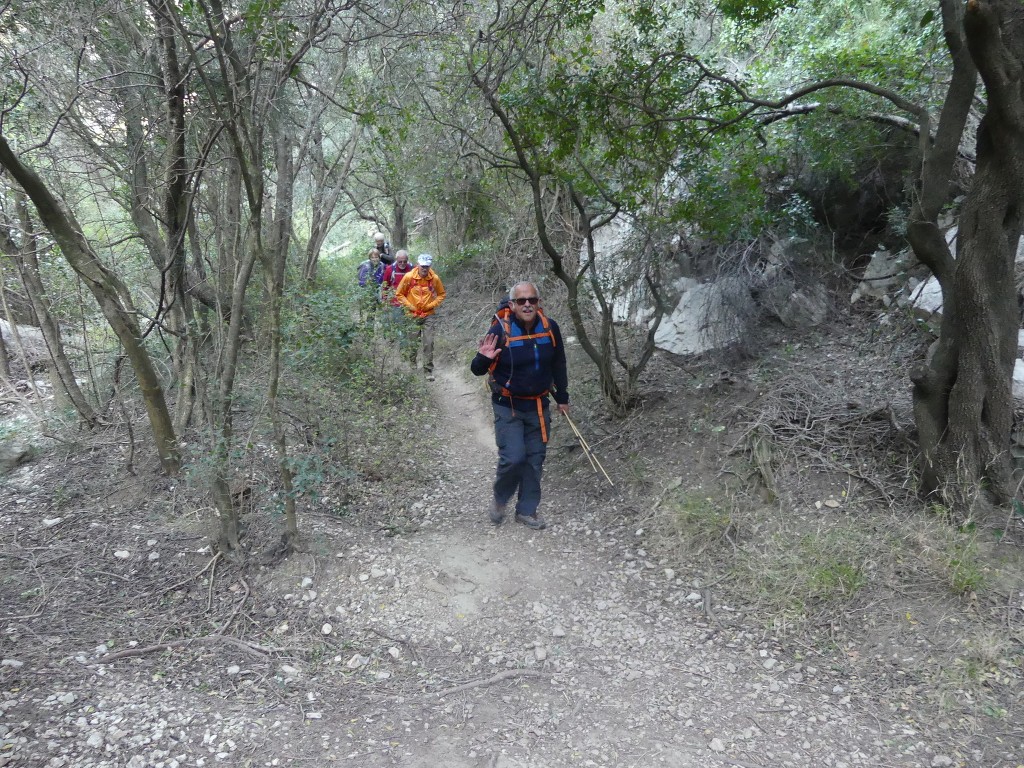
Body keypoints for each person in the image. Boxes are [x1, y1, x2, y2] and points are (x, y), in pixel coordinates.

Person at [470, 281, 569, 530]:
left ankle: (526, 510)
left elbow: (558, 363)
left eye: (532, 300)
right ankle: (500, 499)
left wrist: (563, 397)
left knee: (535, 459)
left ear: (539, 303)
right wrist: (483, 358)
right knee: (514, 458)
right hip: (508, 405)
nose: (527, 305)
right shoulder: (500, 329)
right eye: (522, 301)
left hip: (538, 405)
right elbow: (477, 369)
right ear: (512, 305)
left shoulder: (550, 328)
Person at [395, 253, 446, 381]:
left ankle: (428, 371)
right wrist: (410, 307)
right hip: (412, 315)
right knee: (412, 342)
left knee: (429, 342)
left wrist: (431, 305)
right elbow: (399, 294)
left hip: (428, 315)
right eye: (422, 266)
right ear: (418, 265)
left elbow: (441, 294)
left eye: (427, 267)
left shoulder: (434, 278)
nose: (424, 269)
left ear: (430, 266)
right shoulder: (409, 277)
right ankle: (412, 366)